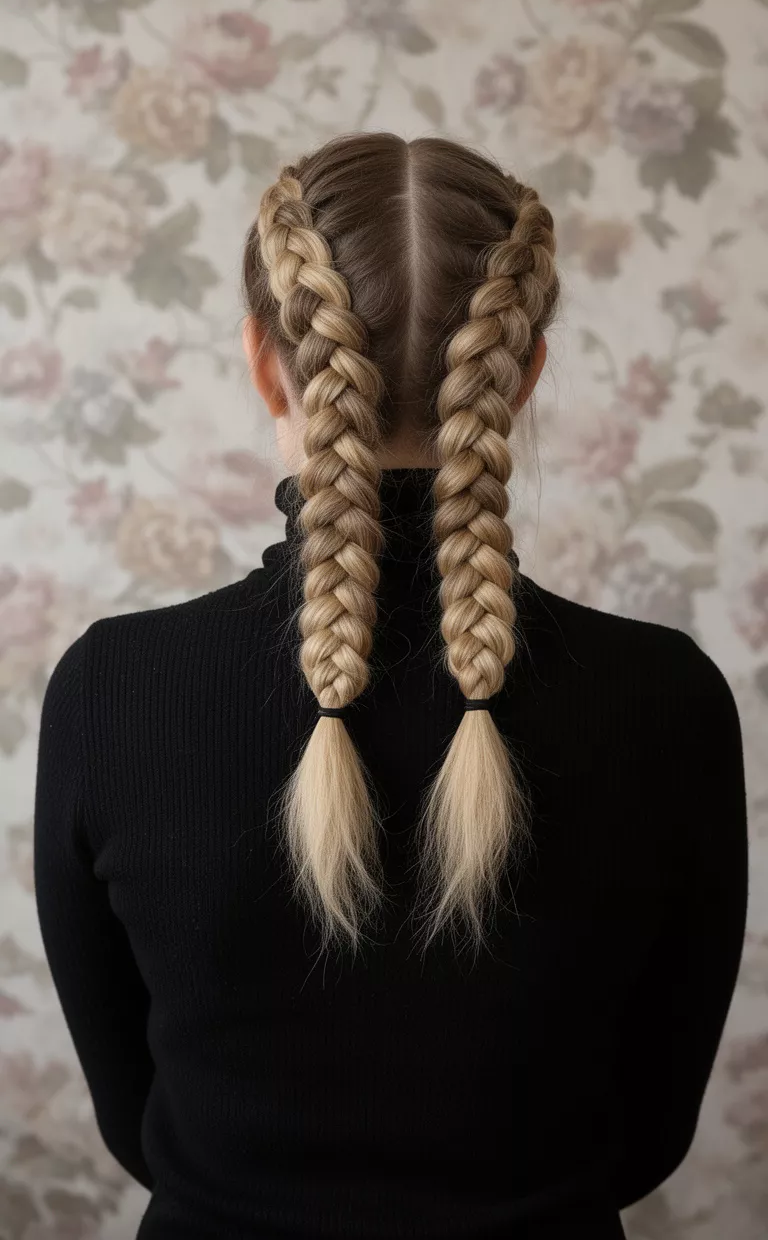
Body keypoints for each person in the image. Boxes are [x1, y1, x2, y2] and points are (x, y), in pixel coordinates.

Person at [34, 133, 748, 1240]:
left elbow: (138, 1124)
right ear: (524, 373)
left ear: (265, 362)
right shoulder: (672, 700)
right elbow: (648, 1132)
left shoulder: (108, 691)